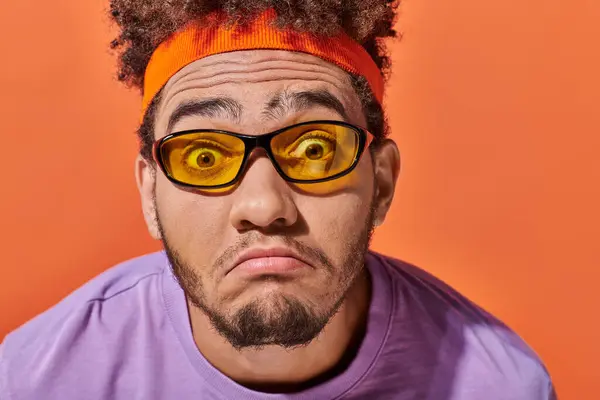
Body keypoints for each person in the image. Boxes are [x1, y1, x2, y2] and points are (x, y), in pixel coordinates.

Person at [0, 1, 556, 399]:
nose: (265, 207)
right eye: (203, 156)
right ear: (150, 193)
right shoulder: (36, 379)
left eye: (314, 148)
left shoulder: (500, 385)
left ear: (381, 184)